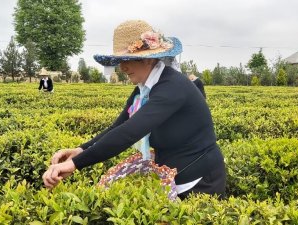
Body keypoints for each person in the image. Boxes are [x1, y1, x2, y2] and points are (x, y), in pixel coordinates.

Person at [42, 20, 226, 200]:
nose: (122, 67)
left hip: (200, 182)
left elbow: (129, 132)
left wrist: (74, 165)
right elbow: (119, 126)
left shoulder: (172, 86)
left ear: (148, 59)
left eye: (128, 59)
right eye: (120, 61)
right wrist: (80, 150)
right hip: (173, 175)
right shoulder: (144, 88)